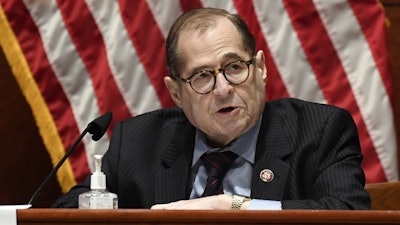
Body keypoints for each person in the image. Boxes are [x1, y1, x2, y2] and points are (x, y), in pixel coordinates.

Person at [52, 7, 370, 210]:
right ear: (175, 92)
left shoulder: (320, 130)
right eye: (202, 76)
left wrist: (236, 208)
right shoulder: (137, 141)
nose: (223, 89)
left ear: (260, 68)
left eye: (234, 67)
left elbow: (348, 212)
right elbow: (66, 211)